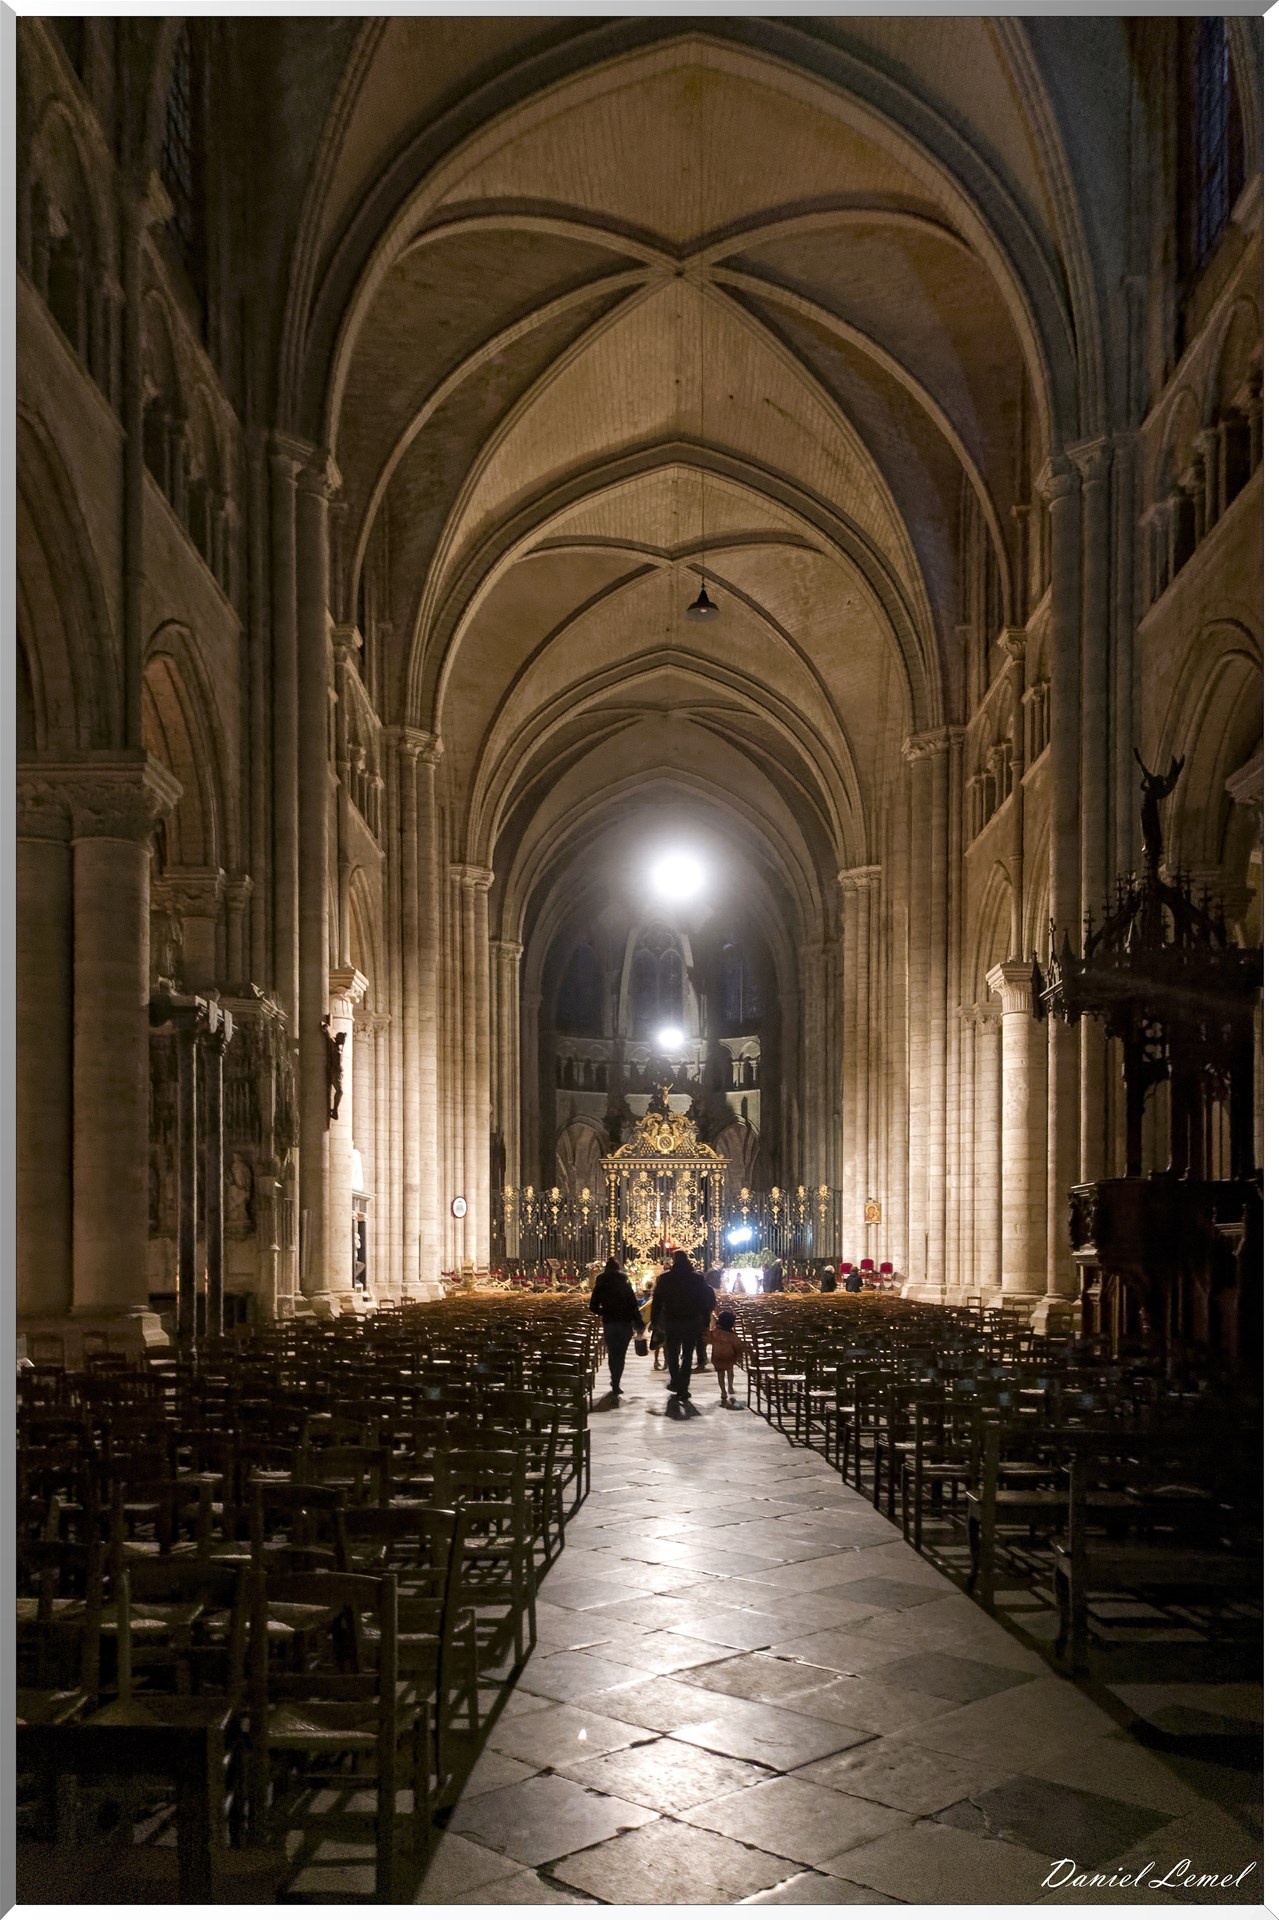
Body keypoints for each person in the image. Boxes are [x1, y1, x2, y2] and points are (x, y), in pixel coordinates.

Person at [650, 1249, 716, 1417]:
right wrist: (705, 1319)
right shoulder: (697, 1278)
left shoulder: (665, 1279)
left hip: (672, 1321)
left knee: (672, 1353)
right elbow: (706, 1300)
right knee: (687, 1355)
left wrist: (655, 1320)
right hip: (691, 1321)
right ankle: (683, 1387)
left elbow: (657, 1301)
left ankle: (675, 1380)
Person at [588, 1256, 643, 1397]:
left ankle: (614, 1379)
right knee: (621, 1354)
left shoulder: (601, 1284)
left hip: (610, 1322)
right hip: (625, 1322)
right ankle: (617, 1381)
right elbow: (633, 1304)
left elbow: (593, 1306)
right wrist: (639, 1322)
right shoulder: (624, 1283)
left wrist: (604, 1312)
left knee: (612, 1353)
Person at [709, 1309, 746, 1408]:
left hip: (717, 1356)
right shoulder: (732, 1335)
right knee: (730, 1371)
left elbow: (708, 1339)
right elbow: (737, 1346)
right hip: (729, 1356)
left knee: (720, 1374)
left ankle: (723, 1391)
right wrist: (739, 1356)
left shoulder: (714, 1332)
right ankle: (730, 1386)